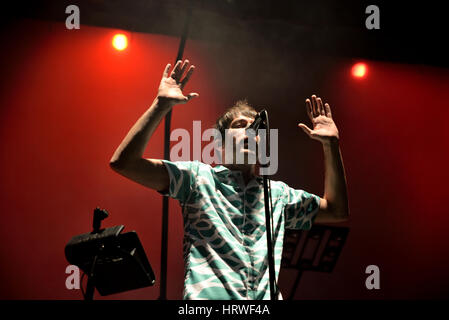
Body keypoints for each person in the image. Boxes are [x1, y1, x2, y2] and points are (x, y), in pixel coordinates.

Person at [109, 60, 349, 300]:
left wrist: (331, 145)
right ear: (220, 144)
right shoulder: (197, 179)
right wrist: (160, 105)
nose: (250, 131)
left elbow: (337, 211)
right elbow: (124, 163)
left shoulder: (278, 195)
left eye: (256, 128)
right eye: (240, 125)